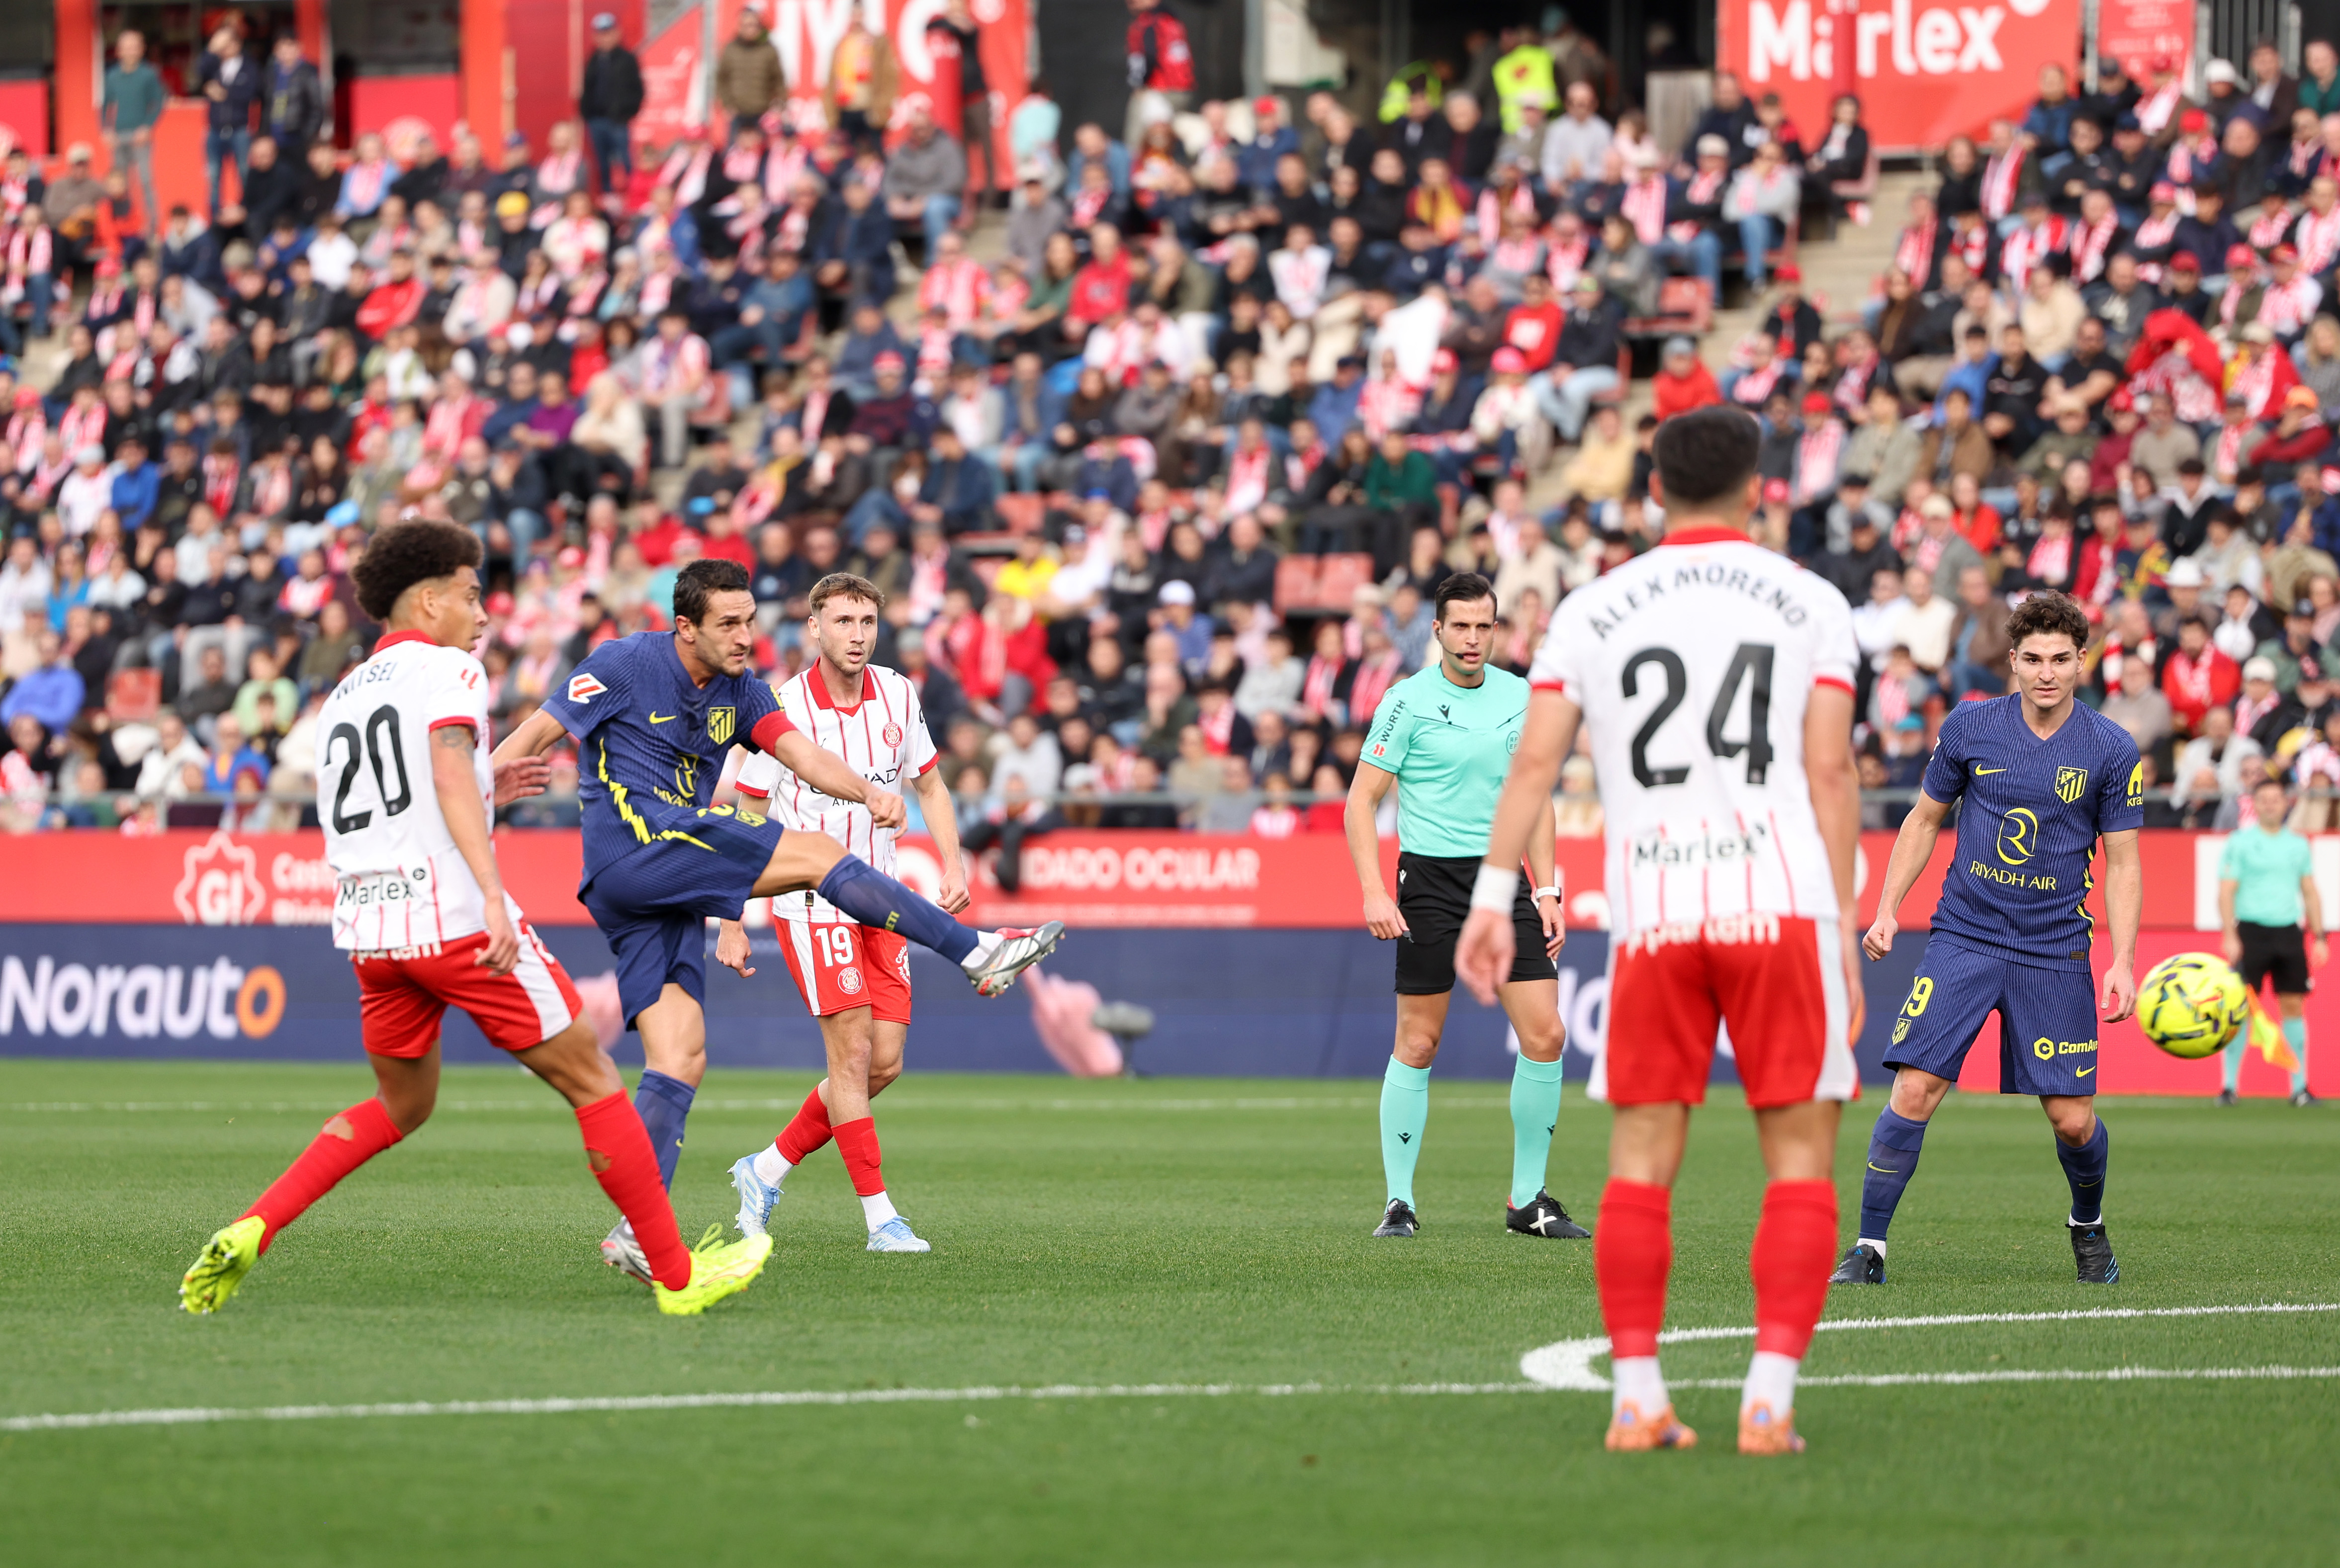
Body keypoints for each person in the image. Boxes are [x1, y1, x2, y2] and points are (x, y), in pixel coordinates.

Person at [177, 520, 773, 1318]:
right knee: (596, 1081)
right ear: (428, 602)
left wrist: (489, 789)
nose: (484, 613)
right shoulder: (450, 668)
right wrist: (491, 891)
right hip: (455, 920)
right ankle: (675, 1275)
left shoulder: (345, 694)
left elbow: (397, 799)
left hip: (372, 932)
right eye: (469, 594)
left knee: (401, 1104)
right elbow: (450, 770)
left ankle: (255, 1224)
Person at [1458, 406, 1865, 1456]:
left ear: (1652, 491)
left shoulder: (1593, 608)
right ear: (1758, 487)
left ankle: (1636, 1396)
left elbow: (1535, 763)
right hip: (1780, 903)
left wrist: (1493, 895)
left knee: (1639, 1161)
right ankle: (1767, 1400)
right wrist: (1843, 924)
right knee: (1800, 1160)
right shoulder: (1811, 601)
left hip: (1656, 914)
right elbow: (1829, 772)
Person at [491, 558, 1064, 1282]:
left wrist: (866, 793)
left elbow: (802, 755)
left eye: (750, 621)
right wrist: (478, 796)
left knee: (680, 1056)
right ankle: (975, 951)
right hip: (637, 845)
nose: (745, 635)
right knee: (819, 855)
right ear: (685, 627)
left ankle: (638, 1228)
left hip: (659, 890)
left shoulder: (747, 691)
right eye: (728, 623)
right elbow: (534, 735)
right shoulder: (624, 662)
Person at [1844, 591, 2142, 1292]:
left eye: (2059, 659)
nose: (2046, 672)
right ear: (2011, 660)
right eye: (2032, 659)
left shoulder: (2109, 748)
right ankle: (1867, 1247)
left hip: (2054, 950)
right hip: (1965, 936)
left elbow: (2123, 861)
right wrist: (1886, 908)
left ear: (2082, 661)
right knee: (1914, 1087)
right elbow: (1922, 820)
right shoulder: (1970, 726)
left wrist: (2122, 960)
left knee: (2072, 1122)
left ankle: (2087, 1225)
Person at [726, 572, 971, 1252]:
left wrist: (952, 863)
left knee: (882, 1063)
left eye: (866, 622)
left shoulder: (897, 692)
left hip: (881, 900)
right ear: (814, 627)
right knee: (853, 1048)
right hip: (809, 902)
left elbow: (931, 785)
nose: (857, 635)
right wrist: (729, 918)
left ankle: (765, 1168)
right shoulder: (782, 708)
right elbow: (747, 812)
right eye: (842, 621)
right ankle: (880, 1219)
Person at [1344, 572, 1584, 1242]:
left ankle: (1527, 1199)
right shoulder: (1406, 700)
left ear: (1495, 630)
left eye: (1483, 626)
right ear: (1438, 630)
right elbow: (1360, 800)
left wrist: (1546, 890)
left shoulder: (1521, 697)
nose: (1472, 638)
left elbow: (1533, 798)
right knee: (1418, 1043)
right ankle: (1398, 1202)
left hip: (1502, 881)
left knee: (1547, 1035)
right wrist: (1373, 890)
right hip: (1427, 882)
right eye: (1460, 626)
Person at [2218, 776, 2324, 1106]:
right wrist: (2230, 934)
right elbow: (2226, 891)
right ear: (2255, 804)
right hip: (2250, 932)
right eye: (2264, 800)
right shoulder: (2240, 842)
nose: (2270, 805)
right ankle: (2229, 1087)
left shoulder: (2298, 844)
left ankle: (2299, 1088)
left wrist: (2319, 936)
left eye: (2276, 799)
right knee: (2241, 1008)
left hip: (2288, 932)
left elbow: (2309, 890)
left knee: (2293, 1005)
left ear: (2286, 803)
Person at [101, 29, 164, 235]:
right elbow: (105, 105)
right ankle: (123, 227)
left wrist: (147, 127)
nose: (129, 51)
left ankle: (152, 227)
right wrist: (106, 130)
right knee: (119, 185)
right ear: (118, 51)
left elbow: (159, 102)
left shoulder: (149, 74)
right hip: (118, 136)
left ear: (141, 50)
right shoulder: (112, 76)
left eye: (134, 47)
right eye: (126, 48)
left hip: (140, 137)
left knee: (146, 181)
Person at [194, 26, 259, 219]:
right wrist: (211, 48)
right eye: (222, 45)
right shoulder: (214, 66)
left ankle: (248, 215)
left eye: (228, 44)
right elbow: (198, 71)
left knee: (244, 175)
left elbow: (251, 93)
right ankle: (215, 218)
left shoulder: (249, 67)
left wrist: (225, 94)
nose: (224, 49)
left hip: (239, 130)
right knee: (213, 177)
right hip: (215, 130)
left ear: (238, 45)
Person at [579, 13, 645, 197]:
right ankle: (608, 197)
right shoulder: (593, 60)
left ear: (617, 33)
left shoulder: (627, 59)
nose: (605, 38)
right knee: (602, 164)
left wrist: (627, 113)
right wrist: (586, 113)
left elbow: (638, 90)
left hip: (618, 121)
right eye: (601, 34)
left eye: (608, 33)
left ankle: (633, 196)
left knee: (625, 161)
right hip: (596, 120)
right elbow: (587, 89)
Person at [1124, 0, 1197, 151]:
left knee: (1136, 138)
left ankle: (1135, 163)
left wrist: (1140, 85)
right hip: (1184, 91)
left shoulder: (1148, 22)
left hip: (1161, 90)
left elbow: (1148, 57)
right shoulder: (1172, 21)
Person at [716, 8, 786, 136]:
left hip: (763, 113)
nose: (750, 30)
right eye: (746, 25)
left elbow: (779, 81)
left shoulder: (769, 50)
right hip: (737, 114)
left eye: (754, 25)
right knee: (735, 148)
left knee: (763, 149)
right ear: (740, 27)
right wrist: (727, 105)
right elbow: (722, 79)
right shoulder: (730, 50)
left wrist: (779, 107)